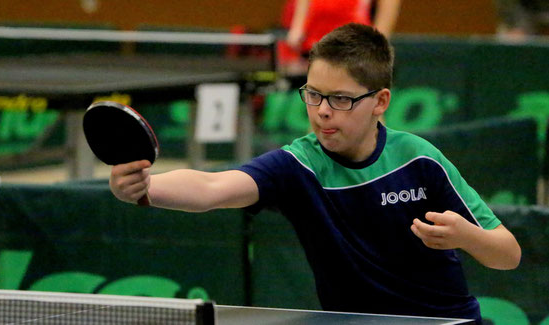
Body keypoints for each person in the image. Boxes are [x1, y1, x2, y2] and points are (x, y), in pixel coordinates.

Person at [109, 23, 521, 323]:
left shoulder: (418, 159)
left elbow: (508, 254)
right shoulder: (300, 164)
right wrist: (147, 187)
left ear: (380, 102)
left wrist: (466, 237)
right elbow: (214, 186)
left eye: (340, 98)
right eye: (313, 94)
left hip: (444, 323)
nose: (321, 110)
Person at [284, 0, 402, 56]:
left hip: (355, 45)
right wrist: (298, 26)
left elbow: (389, 5)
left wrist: (378, 41)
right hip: (314, 42)